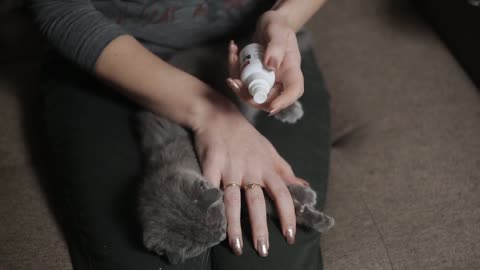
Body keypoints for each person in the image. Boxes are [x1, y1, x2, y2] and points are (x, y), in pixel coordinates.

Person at [31, 0, 331, 269]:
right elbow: (59, 8)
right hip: (109, 59)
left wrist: (282, 18)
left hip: (254, 50)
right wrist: (210, 113)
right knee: (155, 252)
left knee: (273, 259)